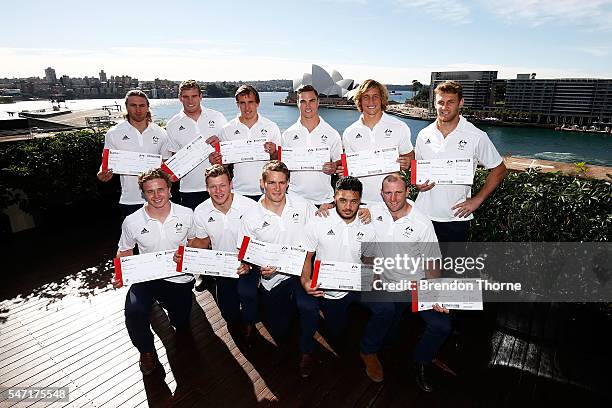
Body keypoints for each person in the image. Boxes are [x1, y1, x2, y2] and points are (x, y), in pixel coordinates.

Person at [298, 177, 395, 382]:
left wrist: (375, 277)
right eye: (342, 200)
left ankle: (368, 350)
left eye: (354, 201)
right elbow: (306, 257)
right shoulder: (318, 221)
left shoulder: (367, 223)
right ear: (334, 198)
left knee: (386, 308)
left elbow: (370, 257)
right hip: (331, 289)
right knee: (337, 331)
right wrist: (305, 281)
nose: (348, 206)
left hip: (360, 281)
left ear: (361, 200)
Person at [369, 173, 450, 392]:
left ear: (407, 192)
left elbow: (432, 261)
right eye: (388, 193)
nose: (393, 198)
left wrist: (434, 293)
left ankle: (422, 360)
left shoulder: (421, 222)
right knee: (390, 333)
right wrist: (325, 207)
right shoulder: (373, 211)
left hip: (417, 284)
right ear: (381, 194)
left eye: (398, 193)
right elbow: (346, 209)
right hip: (387, 285)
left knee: (441, 325)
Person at [114, 168, 195, 375]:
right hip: (146, 277)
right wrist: (120, 273)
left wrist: (189, 253)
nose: (156, 195)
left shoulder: (187, 214)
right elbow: (125, 250)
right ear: (143, 193)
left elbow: (196, 242)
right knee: (134, 311)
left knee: (181, 323)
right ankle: (146, 351)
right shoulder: (132, 221)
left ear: (170, 190)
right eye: (150, 191)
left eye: (161, 189)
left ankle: (179, 324)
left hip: (179, 278)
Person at [238, 161, 317, 351]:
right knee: (280, 330)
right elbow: (247, 254)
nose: (277, 188)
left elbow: (323, 227)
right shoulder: (250, 217)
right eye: (272, 182)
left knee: (310, 309)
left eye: (282, 182)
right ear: (262, 183)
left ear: (288, 183)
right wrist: (259, 267)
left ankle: (307, 350)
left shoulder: (304, 206)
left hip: (302, 272)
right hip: (272, 279)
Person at [414, 80, 507, 243]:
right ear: (435, 104)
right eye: (440, 102)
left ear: (461, 103)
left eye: (450, 102)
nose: (444, 107)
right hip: (423, 215)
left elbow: (499, 169)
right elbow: (417, 166)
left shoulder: (476, 136)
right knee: (422, 267)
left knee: (450, 268)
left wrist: (477, 200)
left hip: (455, 218)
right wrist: (417, 183)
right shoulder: (423, 134)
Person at [184, 164, 259, 344]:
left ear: (231, 184)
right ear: (206, 188)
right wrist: (186, 252)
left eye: (222, 185)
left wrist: (249, 262)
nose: (218, 191)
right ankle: (235, 320)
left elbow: (260, 241)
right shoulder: (201, 211)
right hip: (222, 268)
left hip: (248, 263)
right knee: (228, 313)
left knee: (247, 293)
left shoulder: (250, 206)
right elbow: (202, 242)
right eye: (213, 187)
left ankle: (250, 323)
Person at [97, 90, 170, 217]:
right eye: (133, 105)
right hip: (130, 200)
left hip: (159, 198)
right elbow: (107, 164)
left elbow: (166, 165)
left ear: (147, 107)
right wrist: (102, 173)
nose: (138, 110)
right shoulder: (114, 133)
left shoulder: (161, 133)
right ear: (126, 107)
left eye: (142, 105)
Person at [340, 79, 414, 204]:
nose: (371, 102)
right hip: (361, 200)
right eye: (366, 97)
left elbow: (410, 156)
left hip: (392, 201)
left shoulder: (399, 126)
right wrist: (343, 172)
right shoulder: (349, 132)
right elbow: (349, 169)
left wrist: (408, 162)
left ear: (382, 99)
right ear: (360, 101)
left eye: (375, 97)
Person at [165, 80, 228, 210]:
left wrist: (220, 145)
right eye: (186, 97)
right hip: (189, 190)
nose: (190, 101)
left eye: (194, 96)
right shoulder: (172, 124)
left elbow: (228, 152)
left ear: (200, 96)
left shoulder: (217, 117)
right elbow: (174, 160)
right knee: (194, 230)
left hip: (219, 187)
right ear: (180, 98)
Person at [211, 85, 281, 201]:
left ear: (257, 103)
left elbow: (278, 161)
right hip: (238, 192)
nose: (247, 107)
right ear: (237, 104)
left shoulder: (271, 127)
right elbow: (224, 164)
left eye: (250, 102)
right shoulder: (227, 129)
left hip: (267, 191)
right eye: (242, 103)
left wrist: (274, 152)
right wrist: (216, 160)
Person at [281, 84, 342, 206]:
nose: (307, 106)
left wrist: (334, 166)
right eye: (303, 101)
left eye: (312, 101)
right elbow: (282, 167)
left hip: (324, 201)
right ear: (297, 103)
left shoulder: (332, 133)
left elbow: (339, 162)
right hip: (294, 199)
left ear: (318, 102)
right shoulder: (287, 134)